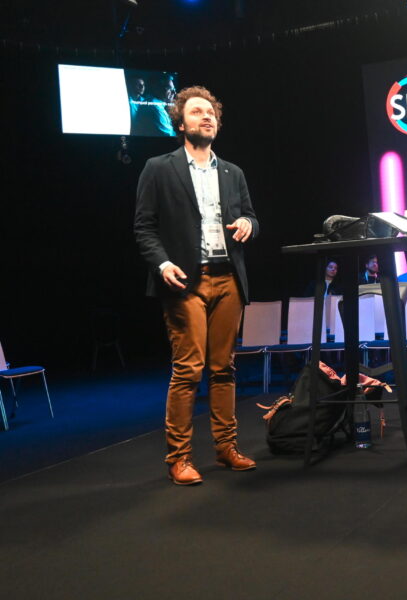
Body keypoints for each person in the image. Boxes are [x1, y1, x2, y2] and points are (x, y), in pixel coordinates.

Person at [134, 85, 259, 485]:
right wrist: (162, 263)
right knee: (189, 369)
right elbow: (144, 227)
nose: (206, 116)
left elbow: (252, 217)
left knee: (224, 368)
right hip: (185, 281)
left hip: (228, 278)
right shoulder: (159, 168)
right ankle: (179, 458)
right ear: (180, 123)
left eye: (211, 112)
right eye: (196, 111)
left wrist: (248, 224)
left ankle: (226, 448)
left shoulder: (233, 172)